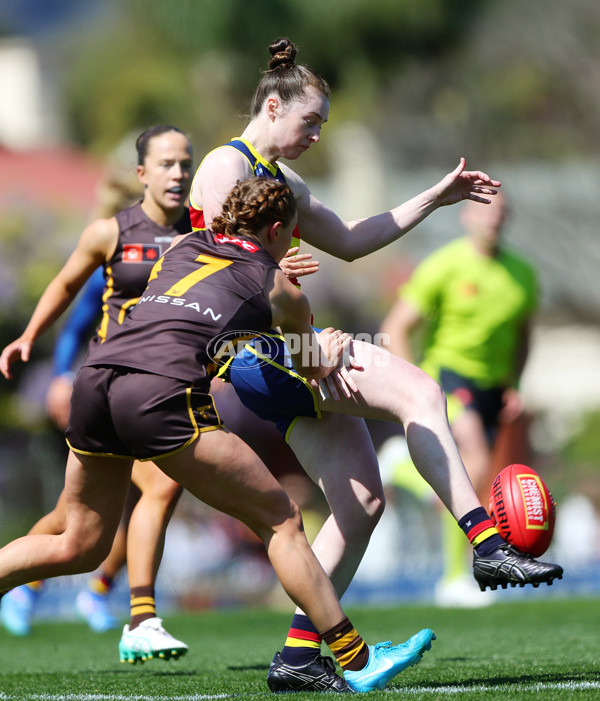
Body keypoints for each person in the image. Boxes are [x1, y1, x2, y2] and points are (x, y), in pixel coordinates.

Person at [189, 37, 563, 692]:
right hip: (260, 350)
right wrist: (303, 331)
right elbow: (222, 276)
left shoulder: (283, 181)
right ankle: (486, 545)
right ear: (272, 107)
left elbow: (356, 240)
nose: (316, 135)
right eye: (310, 122)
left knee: (360, 502)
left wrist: (437, 197)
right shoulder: (225, 166)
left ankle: (301, 656)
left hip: (274, 352)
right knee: (419, 388)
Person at [0, 177, 437, 694]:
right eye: (292, 235)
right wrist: (336, 346)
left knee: (78, 542)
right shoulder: (280, 290)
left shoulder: (183, 244)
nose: (295, 245)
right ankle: (355, 658)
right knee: (281, 520)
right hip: (159, 393)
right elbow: (313, 370)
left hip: (96, 382)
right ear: (277, 230)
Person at [0, 125, 193, 660]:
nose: (178, 173)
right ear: (141, 174)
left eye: (186, 163)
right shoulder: (111, 232)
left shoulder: (203, 234)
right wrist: (31, 340)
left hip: (167, 389)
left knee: (77, 528)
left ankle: (54, 589)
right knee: (158, 490)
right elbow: (68, 290)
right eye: (167, 164)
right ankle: (139, 614)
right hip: (111, 389)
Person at [379, 192, 538, 607]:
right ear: (467, 215)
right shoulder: (444, 265)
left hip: (493, 388)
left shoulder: (522, 274)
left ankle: (403, 469)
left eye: (502, 212)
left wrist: (516, 385)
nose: (494, 220)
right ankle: (454, 579)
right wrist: (410, 387)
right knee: (476, 459)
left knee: (474, 479)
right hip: (447, 377)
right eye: (486, 211)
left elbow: (523, 337)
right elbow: (396, 325)